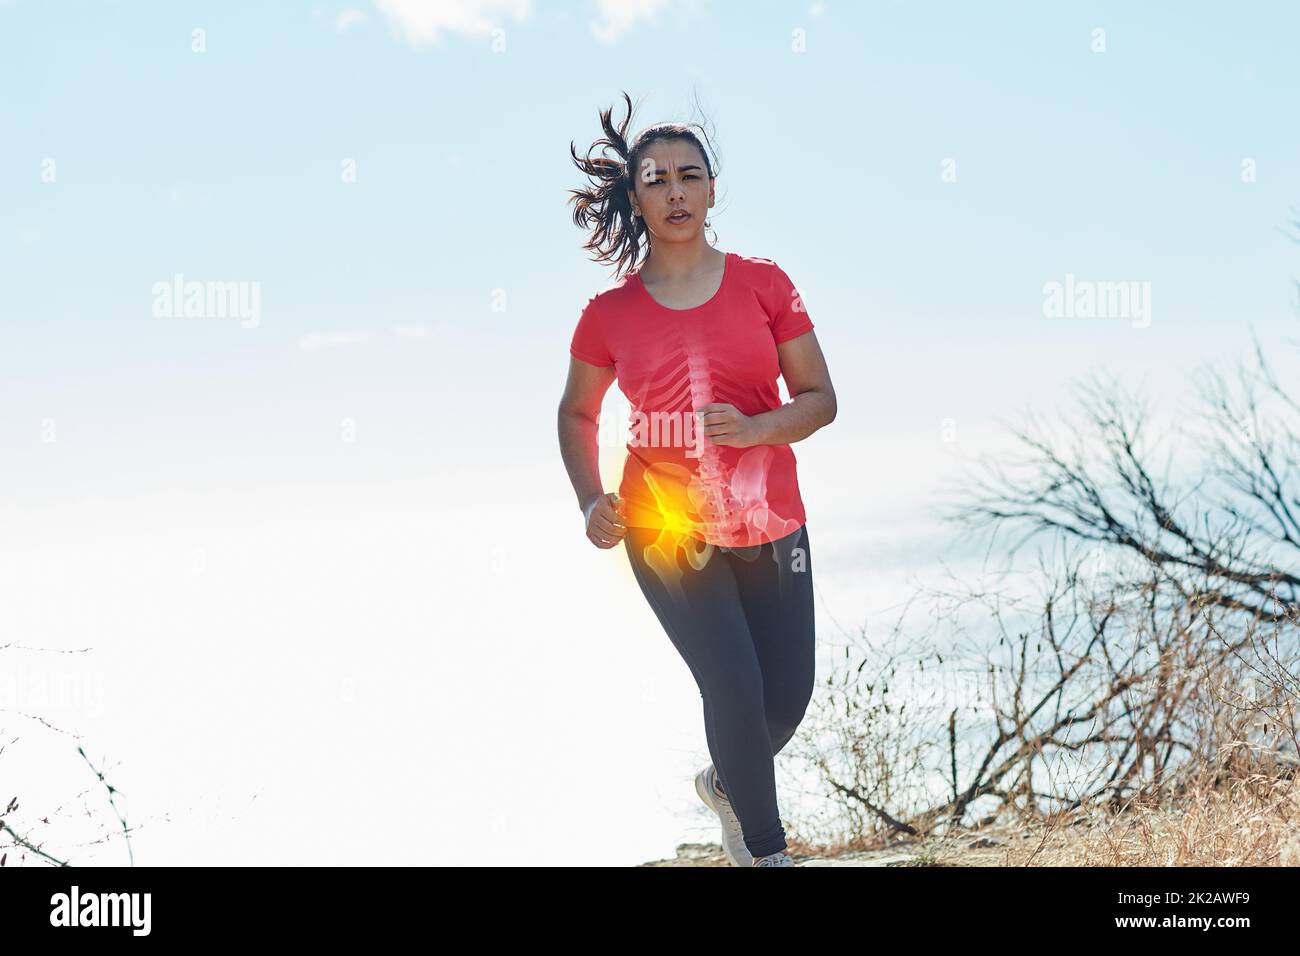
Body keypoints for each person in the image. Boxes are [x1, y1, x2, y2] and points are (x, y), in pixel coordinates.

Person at [557, 92, 837, 868]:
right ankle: (766, 851)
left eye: (689, 174)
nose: (675, 190)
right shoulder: (607, 315)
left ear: (713, 189)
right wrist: (590, 499)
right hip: (663, 528)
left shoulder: (766, 284)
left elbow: (822, 400)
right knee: (734, 689)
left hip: (771, 519)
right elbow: (577, 414)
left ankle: (725, 782)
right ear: (636, 197)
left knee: (786, 698)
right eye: (656, 179)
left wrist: (757, 429)